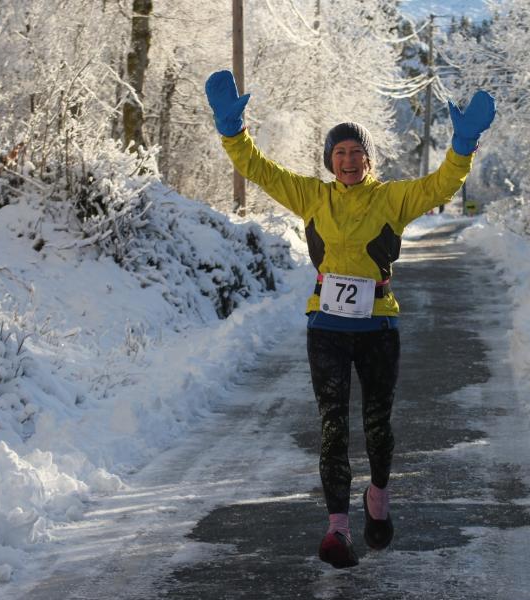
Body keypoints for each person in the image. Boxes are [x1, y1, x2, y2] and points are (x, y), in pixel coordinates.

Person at [204, 70, 495, 569]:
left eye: (356, 152)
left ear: (368, 159)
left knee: (377, 426)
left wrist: (463, 145)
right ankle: (336, 529)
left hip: (378, 328)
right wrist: (233, 132)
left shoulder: (391, 200)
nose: (347, 160)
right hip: (327, 329)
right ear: (329, 160)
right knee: (333, 426)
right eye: (339, 153)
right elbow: (258, 169)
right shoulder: (313, 198)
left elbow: (445, 182)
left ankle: (377, 498)